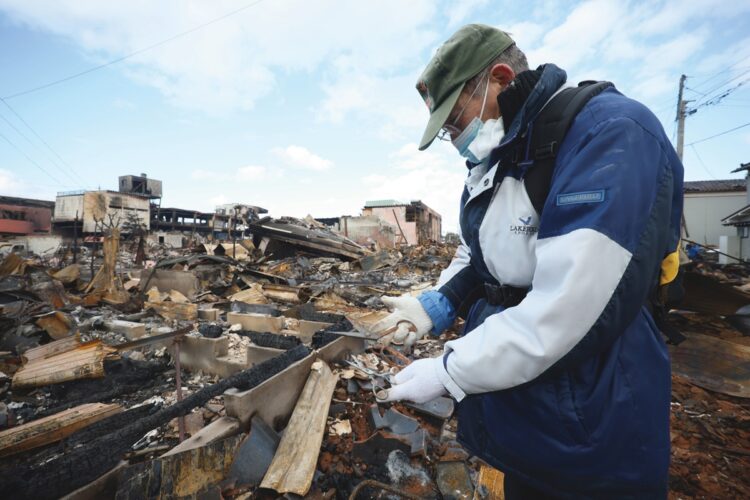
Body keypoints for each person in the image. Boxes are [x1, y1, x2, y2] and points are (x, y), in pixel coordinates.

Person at [372, 24, 684, 498]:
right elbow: (480, 253)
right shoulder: (497, 159)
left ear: (498, 78)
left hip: (593, 427)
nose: (456, 138)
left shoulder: (609, 134)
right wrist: (435, 304)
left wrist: (450, 371)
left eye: (456, 120)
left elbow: (572, 308)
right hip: (526, 419)